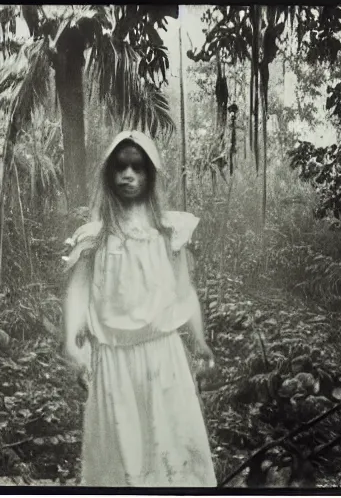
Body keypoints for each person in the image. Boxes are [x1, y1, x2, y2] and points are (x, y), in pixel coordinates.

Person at [63, 130, 217, 487]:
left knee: (171, 453)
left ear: (150, 175)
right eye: (119, 168)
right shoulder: (94, 236)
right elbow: (78, 291)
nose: (127, 175)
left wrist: (200, 341)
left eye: (137, 167)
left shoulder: (168, 232)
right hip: (114, 363)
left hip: (164, 359)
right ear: (108, 175)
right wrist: (72, 340)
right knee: (121, 459)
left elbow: (184, 291)